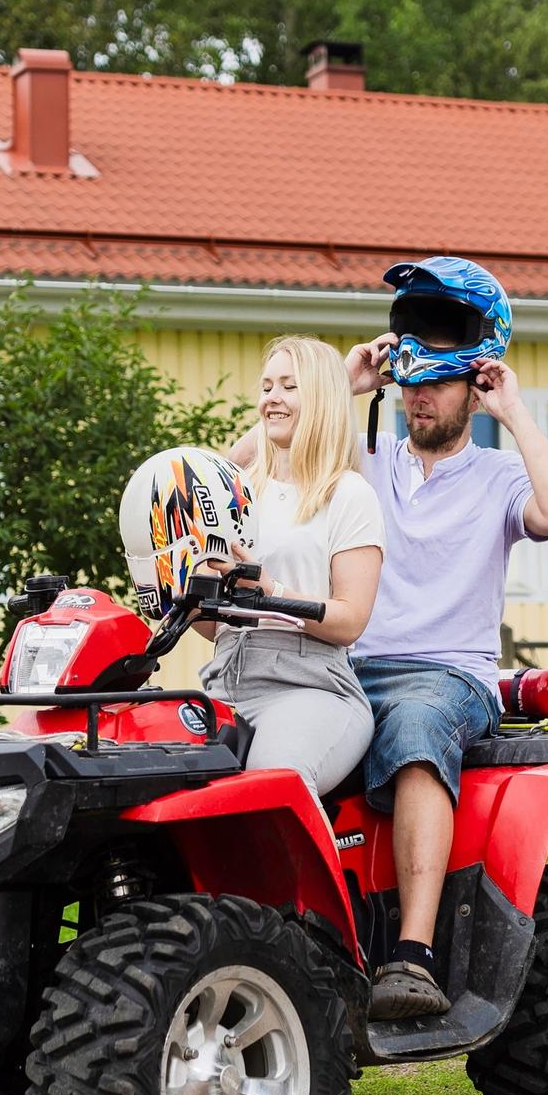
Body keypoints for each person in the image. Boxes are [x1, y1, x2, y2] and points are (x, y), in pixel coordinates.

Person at [346, 258, 548, 1020]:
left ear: (472, 385)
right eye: (410, 383)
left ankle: (413, 956)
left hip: (449, 677)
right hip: (347, 666)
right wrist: (334, 387)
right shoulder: (363, 462)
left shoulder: (498, 477)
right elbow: (234, 478)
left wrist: (516, 414)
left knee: (417, 721)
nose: (421, 397)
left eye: (438, 385)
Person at [198, 336, 384, 796]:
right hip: (225, 679)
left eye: (288, 386)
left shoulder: (347, 493)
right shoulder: (238, 493)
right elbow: (212, 627)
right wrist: (184, 591)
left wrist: (269, 589)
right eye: (265, 387)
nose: (271, 399)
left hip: (312, 688)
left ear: (320, 397)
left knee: (271, 785)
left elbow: (349, 621)